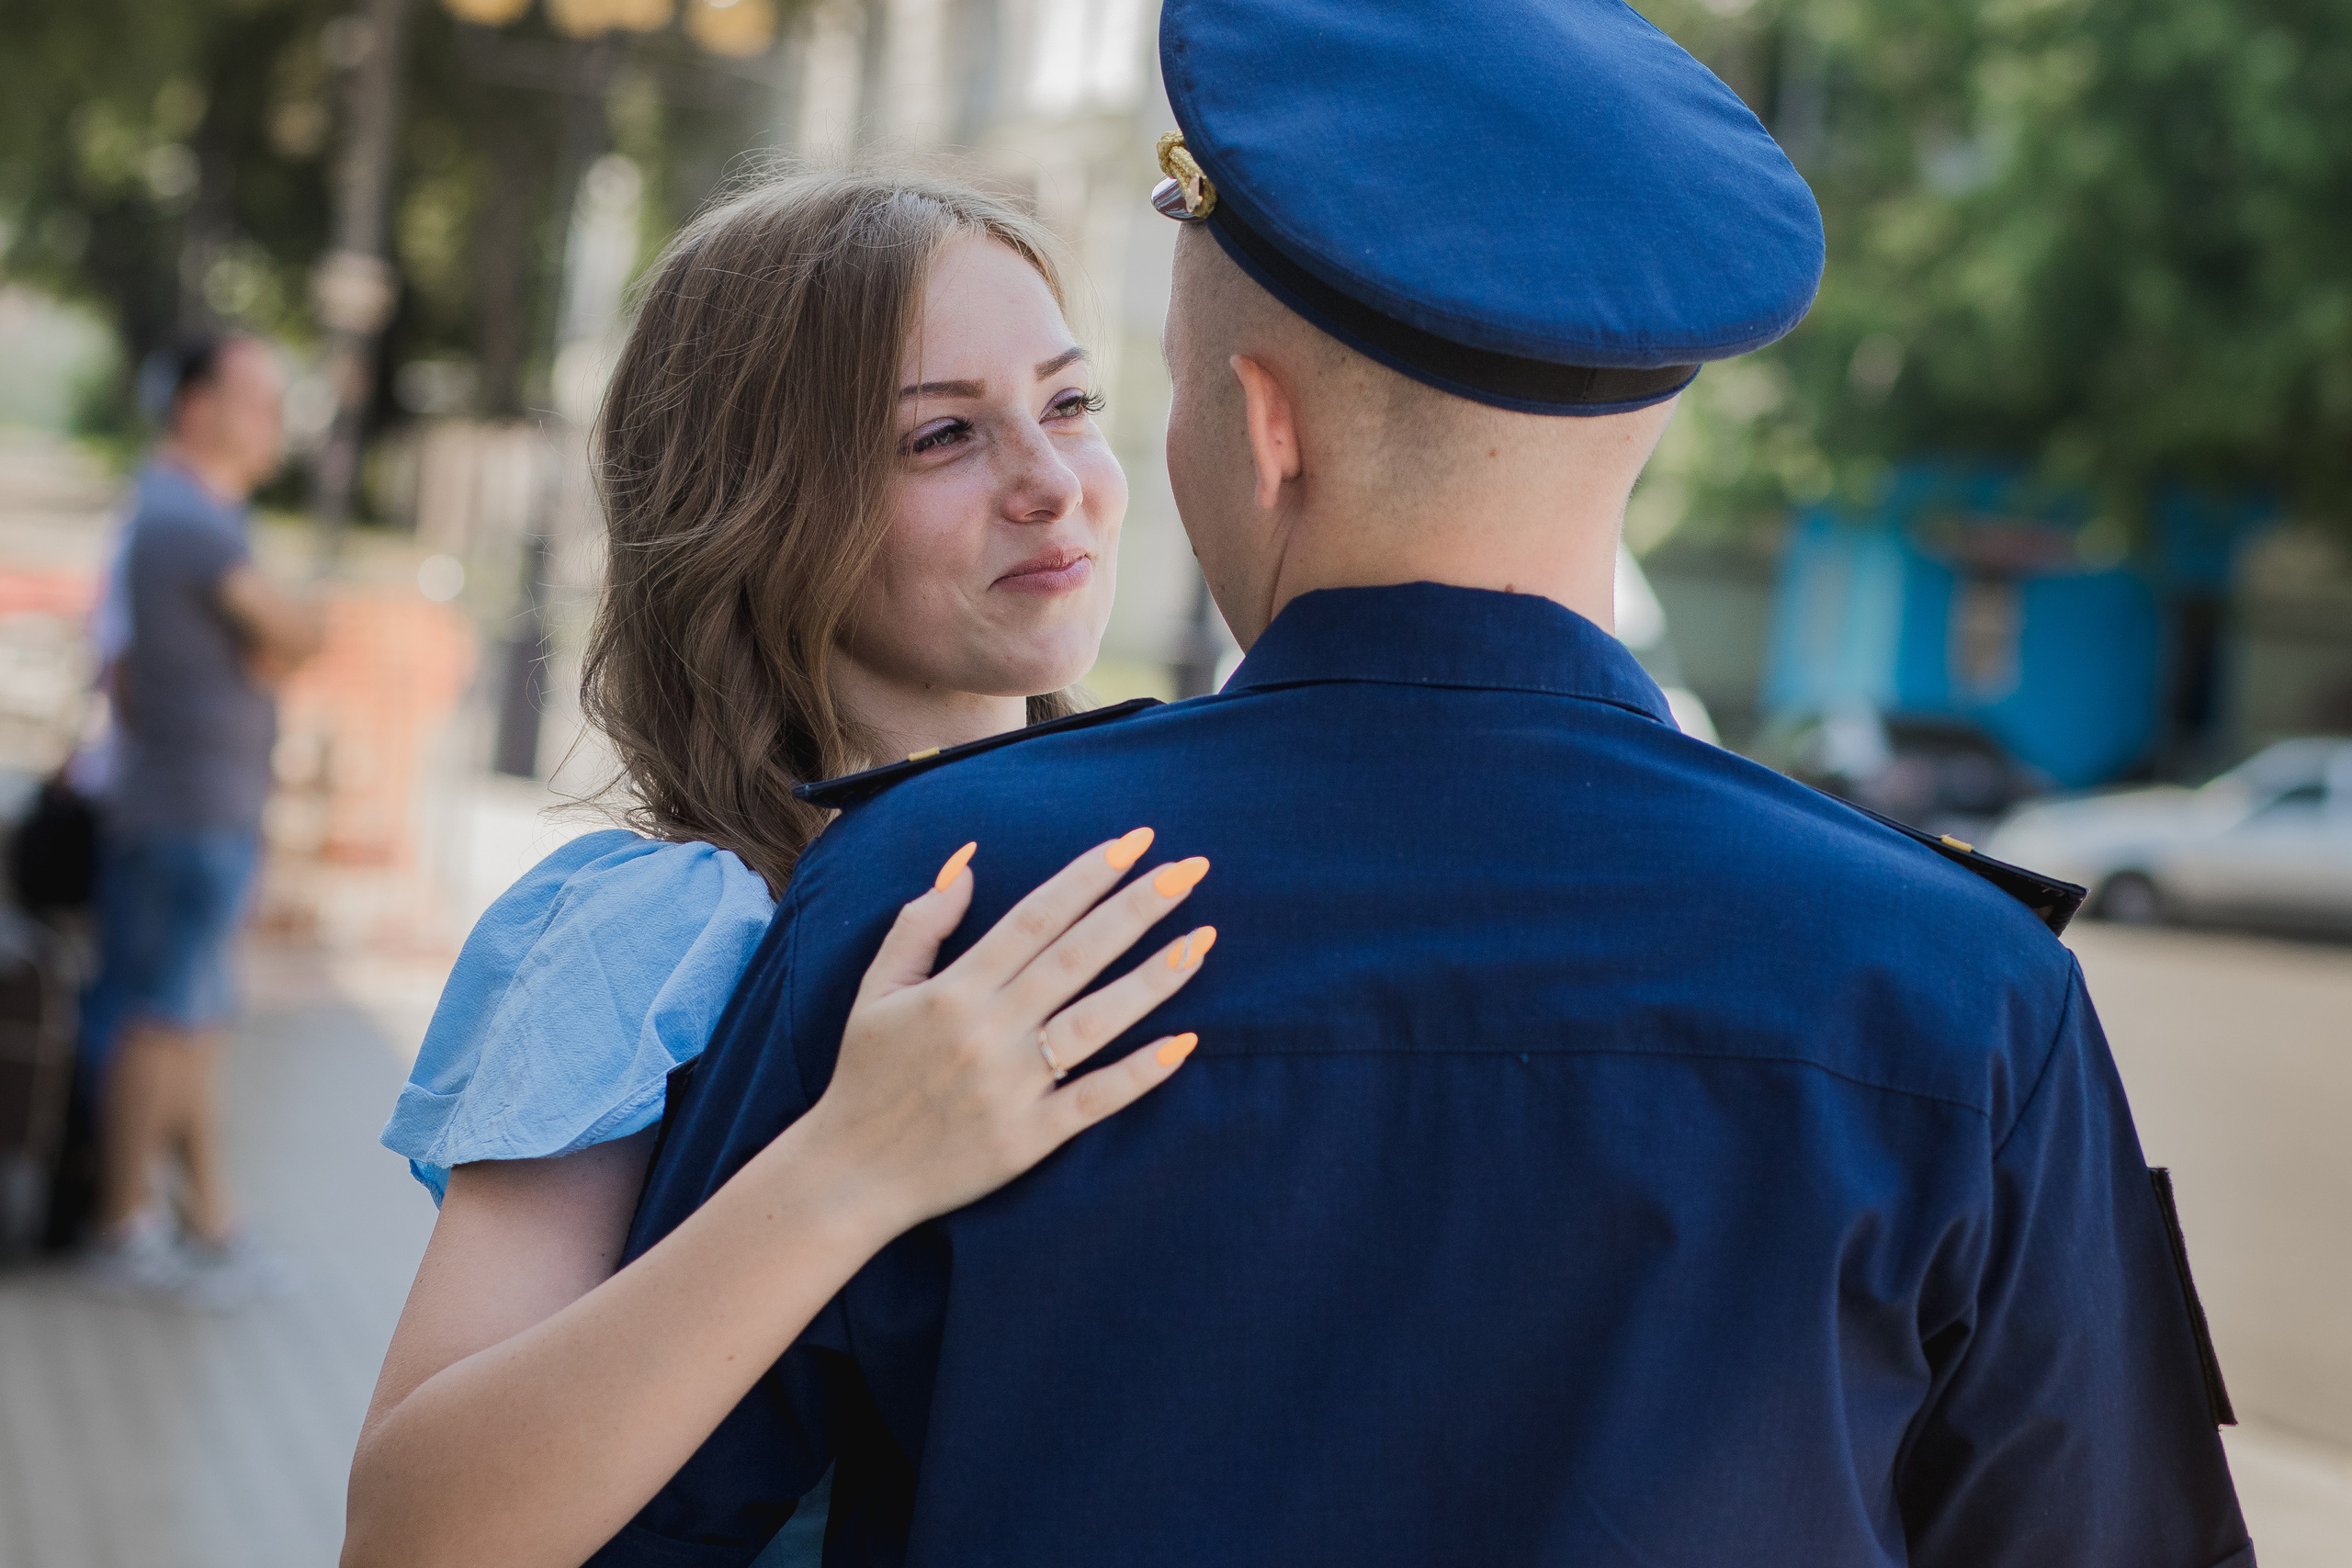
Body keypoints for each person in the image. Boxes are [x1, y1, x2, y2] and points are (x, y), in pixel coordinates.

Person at [598, 2, 2254, 1564]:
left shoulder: (934, 898)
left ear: (1261, 427)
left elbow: (625, 1521)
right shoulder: (1964, 991)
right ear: (1642, 431)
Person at [345, 170, 1221, 1568]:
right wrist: (852, 1162)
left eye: (1068, 404)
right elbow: (415, 1536)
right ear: (756, 505)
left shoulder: (1145, 870)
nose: (1052, 484)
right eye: (943, 435)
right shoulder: (665, 927)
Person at [83, 333, 323, 1306]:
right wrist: (287, 636)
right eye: (257, 400)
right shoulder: (194, 522)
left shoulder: (174, 514)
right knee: (165, 1018)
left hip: (192, 803)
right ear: (197, 409)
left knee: (191, 1018)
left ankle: (205, 1222)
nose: (275, 423)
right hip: (190, 809)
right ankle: (127, 1224)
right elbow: (294, 632)